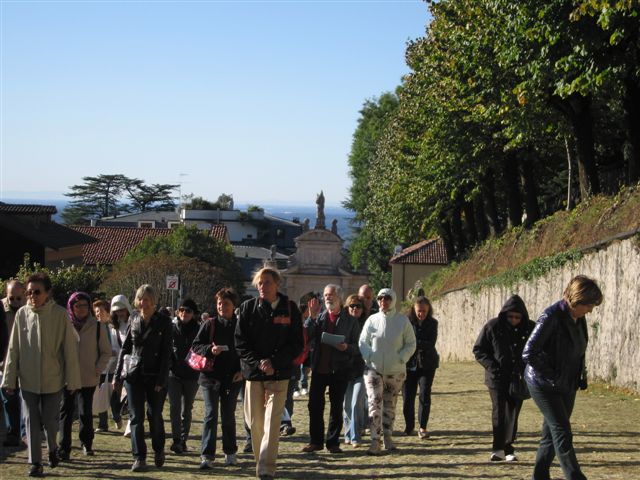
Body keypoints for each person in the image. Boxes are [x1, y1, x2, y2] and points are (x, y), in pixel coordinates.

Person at [1, 272, 82, 477]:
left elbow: (69, 351)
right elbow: (14, 349)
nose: (32, 297)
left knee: (49, 420)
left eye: (37, 292)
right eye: (29, 293)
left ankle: (53, 449)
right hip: (27, 379)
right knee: (30, 421)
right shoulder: (21, 315)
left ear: (48, 293)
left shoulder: (60, 314)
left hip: (53, 379)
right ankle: (35, 462)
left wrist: (73, 381)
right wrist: (9, 379)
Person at [523, 275, 603, 480]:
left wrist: (580, 375)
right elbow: (529, 352)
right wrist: (553, 375)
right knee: (562, 432)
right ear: (577, 300)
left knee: (551, 434)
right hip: (542, 383)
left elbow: (579, 349)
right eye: (589, 305)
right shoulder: (551, 316)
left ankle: (539, 476)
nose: (591, 310)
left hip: (567, 383)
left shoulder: (579, 318)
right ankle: (575, 477)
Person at [235, 267, 303, 480]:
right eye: (260, 283)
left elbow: (297, 344)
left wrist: (274, 362)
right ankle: (260, 461)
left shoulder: (290, 309)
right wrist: (259, 363)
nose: (262, 287)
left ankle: (266, 468)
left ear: (277, 284)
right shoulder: (247, 308)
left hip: (279, 374)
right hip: (254, 375)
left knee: (272, 423)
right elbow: (240, 343)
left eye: (267, 282)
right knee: (254, 422)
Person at [113, 284, 172, 472]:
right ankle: (139, 457)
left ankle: (158, 448)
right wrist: (118, 375)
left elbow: (166, 353)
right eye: (140, 299)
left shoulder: (164, 322)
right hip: (134, 374)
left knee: (154, 415)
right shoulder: (134, 318)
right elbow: (126, 348)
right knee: (135, 417)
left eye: (146, 299)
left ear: (153, 301)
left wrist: (161, 380)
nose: (143, 303)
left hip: (155, 376)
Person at [473, 294, 534, 461]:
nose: (514, 320)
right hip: (496, 377)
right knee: (499, 411)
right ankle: (497, 448)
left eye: (517, 317)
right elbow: (479, 350)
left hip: (518, 378)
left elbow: (539, 349)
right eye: (510, 316)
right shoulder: (492, 326)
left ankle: (508, 447)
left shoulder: (530, 328)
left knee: (513, 412)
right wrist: (492, 366)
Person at [302, 284, 360, 454]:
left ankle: (332, 443)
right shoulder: (319, 318)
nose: (327, 297)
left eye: (331, 294)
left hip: (340, 369)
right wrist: (311, 317)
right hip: (319, 369)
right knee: (314, 406)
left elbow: (358, 347)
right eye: (326, 295)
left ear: (340, 298)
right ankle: (316, 442)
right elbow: (307, 336)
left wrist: (347, 347)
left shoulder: (351, 321)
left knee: (336, 407)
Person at [359, 288, 416, 455]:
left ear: (393, 300)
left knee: (390, 405)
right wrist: (369, 356)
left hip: (395, 371)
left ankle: (388, 437)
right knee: (374, 403)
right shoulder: (371, 320)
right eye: (380, 298)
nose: (383, 301)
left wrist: (401, 357)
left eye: (387, 298)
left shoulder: (402, 321)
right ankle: (375, 440)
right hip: (373, 369)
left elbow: (411, 343)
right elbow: (363, 341)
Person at [192, 288, 243, 469]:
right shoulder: (209, 324)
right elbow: (196, 346)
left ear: (233, 306)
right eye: (219, 303)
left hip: (233, 377)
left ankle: (230, 452)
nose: (222, 307)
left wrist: (243, 371)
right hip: (210, 377)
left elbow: (247, 350)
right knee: (211, 414)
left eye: (226, 303)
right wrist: (210, 350)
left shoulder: (240, 325)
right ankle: (207, 455)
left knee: (228, 416)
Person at [57, 292, 111, 459]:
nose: (81, 309)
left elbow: (106, 352)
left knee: (85, 412)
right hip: (67, 377)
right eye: (77, 305)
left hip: (88, 377)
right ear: (71, 307)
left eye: (85, 305)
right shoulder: (64, 325)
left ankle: (86, 444)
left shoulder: (98, 326)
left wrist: (96, 370)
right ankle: (64, 447)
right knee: (65, 411)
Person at [168, 298, 200, 454]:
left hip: (192, 375)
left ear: (193, 314)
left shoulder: (200, 329)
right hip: (173, 374)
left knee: (186, 409)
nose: (184, 313)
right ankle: (176, 440)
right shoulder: (171, 329)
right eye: (181, 310)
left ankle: (183, 440)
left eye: (188, 311)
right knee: (174, 407)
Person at [1, 280, 26, 447]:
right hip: (6, 360)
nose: (16, 302)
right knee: (8, 398)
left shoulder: (30, 308)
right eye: (12, 298)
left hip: (27, 360)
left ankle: (26, 434)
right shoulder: (1, 310)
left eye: (19, 298)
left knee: (26, 399)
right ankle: (12, 433)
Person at [342, 293, 368, 447]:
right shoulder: (343, 324)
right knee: (346, 405)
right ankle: (347, 433)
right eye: (352, 306)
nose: (355, 309)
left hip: (362, 368)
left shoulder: (367, 323)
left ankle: (355, 436)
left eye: (358, 306)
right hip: (345, 369)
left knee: (356, 402)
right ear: (347, 308)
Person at [109, 294, 133, 434]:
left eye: (122, 309)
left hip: (132, 366)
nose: (120, 313)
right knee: (114, 398)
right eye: (117, 310)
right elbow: (115, 347)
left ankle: (130, 424)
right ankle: (117, 417)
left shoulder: (133, 322)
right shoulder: (114, 328)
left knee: (131, 398)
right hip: (118, 367)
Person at [94, 299, 116, 433]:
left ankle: (116, 416)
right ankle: (103, 424)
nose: (98, 314)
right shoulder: (93, 328)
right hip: (100, 367)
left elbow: (117, 346)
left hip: (113, 366)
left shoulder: (112, 329)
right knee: (101, 394)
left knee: (113, 395)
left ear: (107, 313)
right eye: (96, 311)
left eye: (101, 311)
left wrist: (112, 351)